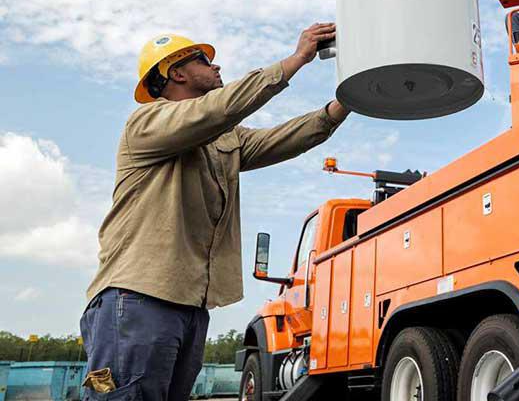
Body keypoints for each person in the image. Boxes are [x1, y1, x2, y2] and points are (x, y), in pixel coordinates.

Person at [80, 23, 348, 401]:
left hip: (190, 304)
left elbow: (282, 139)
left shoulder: (222, 138)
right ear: (177, 73)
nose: (216, 66)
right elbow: (219, 109)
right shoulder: (145, 123)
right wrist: (296, 60)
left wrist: (345, 102)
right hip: (138, 297)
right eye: (204, 61)